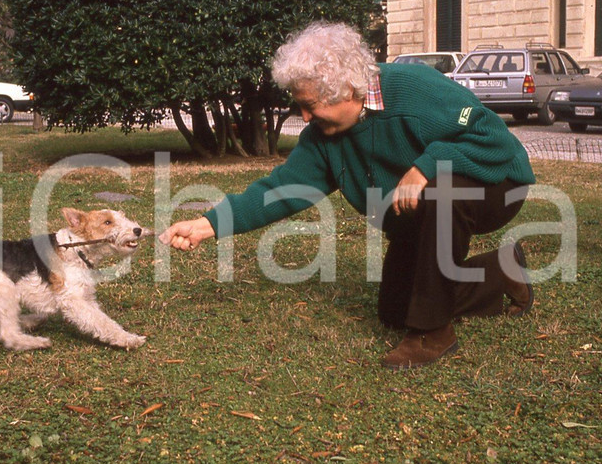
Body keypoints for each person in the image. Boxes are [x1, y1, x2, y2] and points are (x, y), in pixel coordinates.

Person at [160, 21, 536, 370]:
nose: (305, 117)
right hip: (419, 210)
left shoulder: (414, 88)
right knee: (395, 310)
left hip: (495, 181)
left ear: (350, 91)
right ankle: (500, 272)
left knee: (441, 190)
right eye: (299, 105)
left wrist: (427, 165)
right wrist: (208, 224)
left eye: (311, 105)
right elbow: (280, 190)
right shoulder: (324, 137)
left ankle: (432, 334)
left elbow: (495, 139)